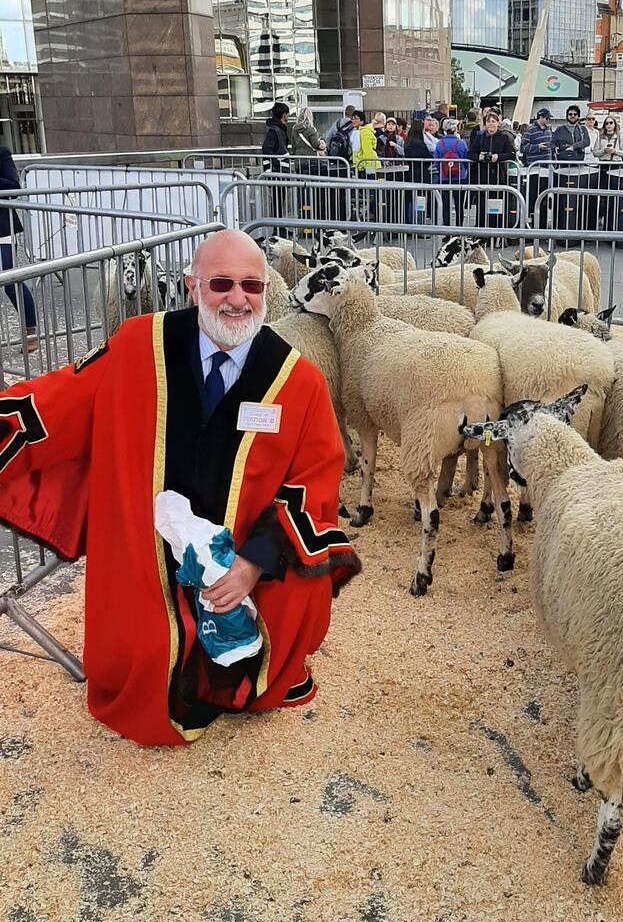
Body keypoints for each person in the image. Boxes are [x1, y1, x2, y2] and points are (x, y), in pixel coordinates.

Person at [0, 230, 361, 746]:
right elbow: (58, 403)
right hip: (150, 560)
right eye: (221, 283)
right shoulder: (137, 345)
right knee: (148, 661)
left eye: (251, 286)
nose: (237, 299)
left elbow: (314, 482)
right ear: (193, 286)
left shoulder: (298, 381)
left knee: (297, 598)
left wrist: (251, 564)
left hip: (242, 562)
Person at [1, 146, 38, 353]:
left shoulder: (1, 153)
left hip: (3, 229)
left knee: (11, 282)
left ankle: (30, 331)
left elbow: (13, 186)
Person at [468, 109, 515, 228]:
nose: (491, 124)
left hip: (499, 176)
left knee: (497, 205)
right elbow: (470, 153)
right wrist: (479, 157)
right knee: (482, 205)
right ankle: (482, 232)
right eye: (488, 122)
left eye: (493, 121)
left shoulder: (504, 137)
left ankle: (498, 231)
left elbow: (511, 154)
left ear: (498, 123)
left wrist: (498, 157)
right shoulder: (480, 138)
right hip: (482, 177)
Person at [551, 104, 591, 234]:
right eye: (570, 114)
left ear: (578, 116)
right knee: (562, 194)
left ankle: (577, 224)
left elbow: (586, 142)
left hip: (578, 165)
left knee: (576, 195)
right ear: (567, 116)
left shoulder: (582, 129)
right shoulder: (560, 129)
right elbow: (552, 142)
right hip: (563, 165)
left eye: (574, 114)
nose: (572, 116)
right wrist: (555, 148)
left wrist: (573, 147)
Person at [433, 117, 469, 227]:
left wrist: (441, 172)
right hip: (460, 177)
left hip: (444, 177)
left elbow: (436, 161)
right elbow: (466, 159)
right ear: (455, 129)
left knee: (445, 205)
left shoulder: (440, 144)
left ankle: (447, 229)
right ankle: (459, 228)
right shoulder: (461, 143)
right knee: (459, 205)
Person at [520, 108, 553, 224]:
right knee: (533, 197)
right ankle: (531, 224)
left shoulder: (549, 129)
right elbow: (522, 147)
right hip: (534, 169)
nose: (549, 121)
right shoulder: (530, 130)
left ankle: (542, 224)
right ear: (541, 117)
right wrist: (537, 147)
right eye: (547, 118)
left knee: (544, 197)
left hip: (547, 168)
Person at [593, 115, 623, 230]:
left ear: (615, 124)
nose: (609, 125)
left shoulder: (620, 137)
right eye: (607, 123)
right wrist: (603, 151)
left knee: (614, 195)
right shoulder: (600, 137)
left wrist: (615, 151)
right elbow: (595, 152)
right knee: (603, 195)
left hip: (616, 167)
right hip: (603, 166)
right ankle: (603, 218)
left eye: (611, 123)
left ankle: (612, 221)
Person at [402, 119, 432, 222]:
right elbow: (429, 157)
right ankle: (419, 223)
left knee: (411, 199)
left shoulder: (407, 142)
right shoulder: (420, 144)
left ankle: (410, 222)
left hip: (411, 172)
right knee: (420, 199)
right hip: (422, 173)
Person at [290, 106, 326, 176]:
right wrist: (322, 145)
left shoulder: (294, 129)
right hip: (310, 161)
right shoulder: (310, 129)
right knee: (312, 183)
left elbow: (293, 146)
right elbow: (315, 145)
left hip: (299, 161)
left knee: (300, 184)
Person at [260, 102, 290, 174]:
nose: (288, 116)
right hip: (277, 171)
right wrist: (277, 164)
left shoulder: (277, 129)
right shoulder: (274, 130)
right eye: (288, 114)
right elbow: (266, 149)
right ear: (284, 115)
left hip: (279, 170)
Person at [349, 110, 380, 177]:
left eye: (356, 119)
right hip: (361, 165)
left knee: (370, 185)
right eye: (352, 119)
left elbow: (367, 151)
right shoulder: (357, 131)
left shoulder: (364, 132)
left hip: (368, 165)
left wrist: (368, 168)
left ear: (362, 120)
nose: (353, 121)